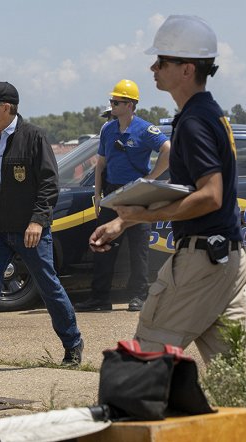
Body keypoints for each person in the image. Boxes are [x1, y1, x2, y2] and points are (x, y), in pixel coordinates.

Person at [89, 15, 246, 367]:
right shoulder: (206, 114)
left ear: (187, 69)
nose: (153, 67)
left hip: (202, 259)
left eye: (162, 61)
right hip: (225, 258)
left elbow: (210, 195)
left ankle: (138, 420)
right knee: (241, 378)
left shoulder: (194, 122)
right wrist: (125, 221)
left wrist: (142, 215)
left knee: (146, 357)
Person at [0, 82, 84, 377]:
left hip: (31, 230)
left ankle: (72, 343)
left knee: (49, 287)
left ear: (6, 107)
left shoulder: (34, 138)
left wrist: (38, 220)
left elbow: (49, 183)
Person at [75, 80, 170, 313]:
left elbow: (169, 149)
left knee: (139, 250)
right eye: (111, 101)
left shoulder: (145, 129)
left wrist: (151, 177)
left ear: (130, 105)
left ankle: (139, 296)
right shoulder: (108, 129)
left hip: (137, 194)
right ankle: (99, 299)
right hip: (112, 193)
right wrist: (97, 195)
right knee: (103, 245)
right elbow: (100, 164)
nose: (112, 105)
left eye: (116, 102)